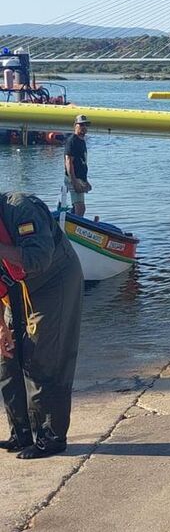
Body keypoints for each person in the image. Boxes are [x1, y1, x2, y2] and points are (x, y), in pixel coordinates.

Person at [0, 192, 83, 459]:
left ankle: (51, 437)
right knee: (7, 357)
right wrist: (2, 327)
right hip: (17, 288)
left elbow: (38, 259)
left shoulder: (22, 209)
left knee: (43, 355)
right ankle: (21, 433)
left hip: (53, 280)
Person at [63, 114, 91, 217]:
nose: (84, 127)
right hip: (73, 178)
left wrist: (86, 181)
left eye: (85, 125)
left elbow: (82, 162)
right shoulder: (72, 141)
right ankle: (74, 229)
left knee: (78, 207)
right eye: (81, 125)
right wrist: (74, 181)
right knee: (80, 208)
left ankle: (66, 219)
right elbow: (68, 161)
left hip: (80, 178)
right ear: (75, 125)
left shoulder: (82, 141)